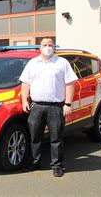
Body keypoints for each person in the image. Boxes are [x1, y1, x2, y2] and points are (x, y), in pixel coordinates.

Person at [19, 38, 78, 177]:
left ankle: (57, 166)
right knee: (34, 137)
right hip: (36, 106)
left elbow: (70, 84)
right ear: (40, 48)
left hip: (55, 107)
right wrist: (24, 101)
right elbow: (25, 84)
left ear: (54, 47)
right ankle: (34, 162)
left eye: (50, 45)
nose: (47, 47)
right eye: (44, 45)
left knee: (56, 138)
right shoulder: (32, 63)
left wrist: (68, 104)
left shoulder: (61, 63)